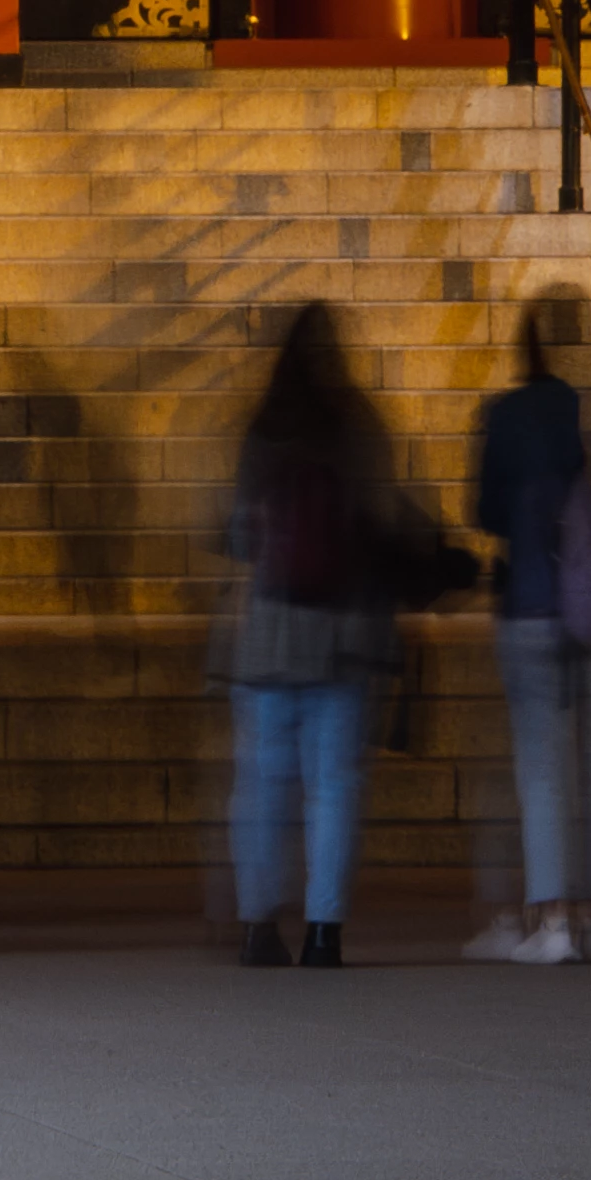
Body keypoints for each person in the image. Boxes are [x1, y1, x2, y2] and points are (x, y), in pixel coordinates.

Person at [219, 305, 454, 967]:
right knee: (333, 788)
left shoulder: (262, 428)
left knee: (263, 788)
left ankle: (258, 926)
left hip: (270, 636)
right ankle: (325, 932)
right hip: (345, 637)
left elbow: (239, 534)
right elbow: (381, 522)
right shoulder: (357, 424)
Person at [468, 288, 591, 964]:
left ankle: (552, 921)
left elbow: (487, 512)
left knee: (543, 768)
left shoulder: (507, 414)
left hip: (532, 601)